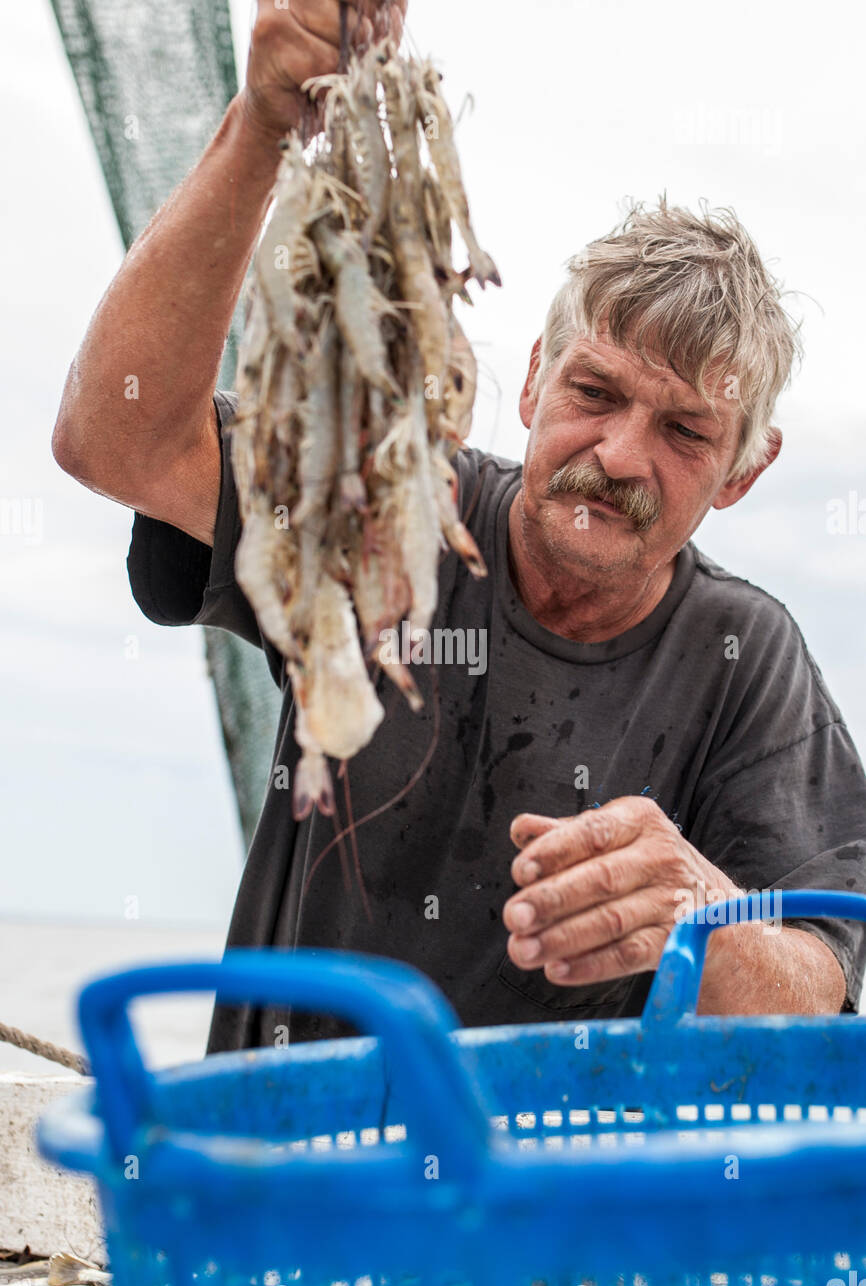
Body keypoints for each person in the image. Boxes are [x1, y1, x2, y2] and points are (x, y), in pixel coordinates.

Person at [52, 0, 866, 1051]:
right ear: (528, 380)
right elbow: (115, 440)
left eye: (682, 430)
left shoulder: (741, 659)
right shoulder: (387, 502)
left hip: (547, 1203)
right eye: (593, 390)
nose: (619, 454)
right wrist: (261, 126)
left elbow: (818, 981)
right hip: (290, 1166)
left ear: (743, 473)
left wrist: (697, 920)